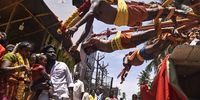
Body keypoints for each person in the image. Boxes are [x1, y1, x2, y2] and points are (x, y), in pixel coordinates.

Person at [65, 0, 200, 51]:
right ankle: (176, 14)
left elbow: (90, 13)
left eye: (79, 5)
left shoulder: (95, 3)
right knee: (158, 13)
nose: (79, 9)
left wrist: (75, 26)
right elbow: (87, 30)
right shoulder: (90, 13)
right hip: (127, 20)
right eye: (78, 7)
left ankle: (187, 15)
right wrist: (77, 43)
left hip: (129, 13)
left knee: (159, 12)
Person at [82, 28, 174, 55]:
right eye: (89, 53)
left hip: (120, 39)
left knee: (143, 35)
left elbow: (84, 44)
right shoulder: (99, 49)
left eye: (88, 50)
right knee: (144, 39)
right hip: (122, 46)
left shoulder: (94, 41)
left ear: (88, 46)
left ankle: (167, 29)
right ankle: (164, 31)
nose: (90, 52)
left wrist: (81, 45)